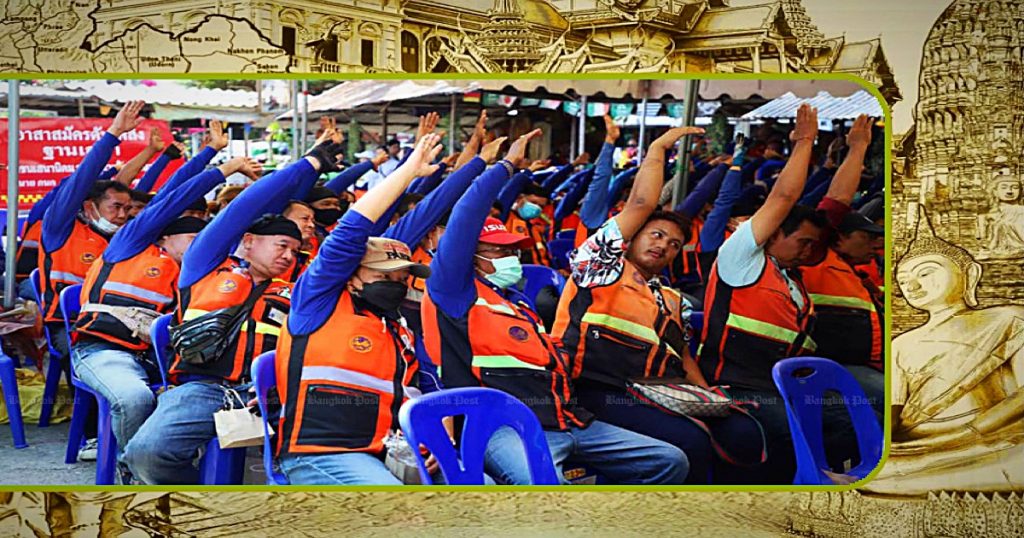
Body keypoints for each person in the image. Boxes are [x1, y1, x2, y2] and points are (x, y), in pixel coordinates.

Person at [422, 129, 688, 485]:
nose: (511, 257)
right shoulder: (454, 292)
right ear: (469, 256)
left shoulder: (519, 303)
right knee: (543, 486)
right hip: (503, 426)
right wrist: (504, 166)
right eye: (499, 250)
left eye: (512, 250)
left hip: (568, 418)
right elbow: (464, 216)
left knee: (670, 461)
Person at [121, 137, 345, 485]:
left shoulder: (296, 287)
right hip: (204, 389)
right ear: (249, 241)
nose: (289, 255)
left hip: (274, 393)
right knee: (146, 454)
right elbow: (243, 208)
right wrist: (309, 164)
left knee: (338, 443)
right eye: (282, 245)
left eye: (295, 249)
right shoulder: (205, 266)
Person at [551, 126, 766, 484]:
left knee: (744, 431)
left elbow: (682, 354)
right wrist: (658, 149)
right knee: (691, 441)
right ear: (631, 237)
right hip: (593, 390)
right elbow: (641, 203)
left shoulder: (671, 298)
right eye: (656, 235)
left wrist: (706, 393)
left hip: (654, 389)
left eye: (674, 244)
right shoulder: (600, 267)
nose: (664, 246)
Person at [697, 104, 856, 483]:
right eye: (801, 242)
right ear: (772, 234)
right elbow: (782, 199)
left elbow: (835, 207)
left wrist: (858, 149)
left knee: (854, 418)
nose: (807, 251)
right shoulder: (741, 260)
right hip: (739, 388)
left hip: (784, 385)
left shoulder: (792, 278)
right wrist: (804, 143)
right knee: (797, 434)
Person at [274, 134, 443, 485]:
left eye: (402, 277)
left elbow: (422, 388)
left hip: (388, 451)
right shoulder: (318, 302)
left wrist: (435, 440)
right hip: (320, 453)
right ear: (351, 277)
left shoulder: (396, 325)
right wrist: (408, 171)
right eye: (384, 274)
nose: (396, 284)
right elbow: (350, 233)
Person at [71, 146, 251, 455]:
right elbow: (171, 199)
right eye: (194, 239)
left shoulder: (197, 274)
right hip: (104, 350)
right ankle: (131, 468)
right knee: (135, 399)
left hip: (163, 361)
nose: (203, 247)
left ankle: (175, 460)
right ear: (164, 238)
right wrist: (224, 167)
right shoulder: (129, 246)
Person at [865, 206, 1024, 495]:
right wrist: (883, 445)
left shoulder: (1009, 319)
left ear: (969, 273)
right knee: (877, 470)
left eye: (926, 273)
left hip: (993, 439)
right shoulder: (901, 344)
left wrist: (973, 431)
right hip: (921, 447)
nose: (913, 285)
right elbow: (894, 411)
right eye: (903, 281)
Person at [798, 115, 885, 417]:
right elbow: (835, 202)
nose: (877, 245)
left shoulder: (859, 273)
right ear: (838, 240)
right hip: (829, 371)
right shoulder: (815, 260)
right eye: (868, 237)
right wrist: (858, 149)